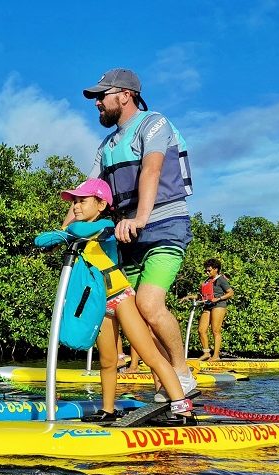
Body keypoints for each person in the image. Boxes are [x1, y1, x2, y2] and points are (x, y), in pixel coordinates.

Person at [74, 68, 197, 400]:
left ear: (125, 95)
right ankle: (165, 387)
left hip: (164, 225)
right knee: (131, 316)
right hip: (128, 234)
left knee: (148, 303)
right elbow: (86, 193)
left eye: (102, 95)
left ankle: (182, 373)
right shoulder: (107, 145)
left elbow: (152, 170)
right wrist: (64, 232)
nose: (97, 103)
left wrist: (140, 218)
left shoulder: (154, 123)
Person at [36, 178, 192, 421]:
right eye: (74, 202)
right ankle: (108, 410)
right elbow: (41, 240)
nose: (76, 206)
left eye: (82, 201)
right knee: (108, 361)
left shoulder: (106, 227)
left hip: (120, 298)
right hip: (99, 305)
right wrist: (57, 237)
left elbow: (79, 230)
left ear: (101, 204)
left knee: (149, 354)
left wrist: (63, 233)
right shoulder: (76, 232)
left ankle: (182, 406)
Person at [195, 258, 233, 360]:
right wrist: (189, 297)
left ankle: (216, 356)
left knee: (215, 330)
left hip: (219, 305)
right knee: (201, 330)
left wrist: (218, 298)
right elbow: (201, 296)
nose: (207, 272)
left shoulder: (221, 280)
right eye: (206, 270)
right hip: (208, 306)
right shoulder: (207, 281)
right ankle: (206, 353)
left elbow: (230, 293)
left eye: (209, 270)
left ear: (216, 269)